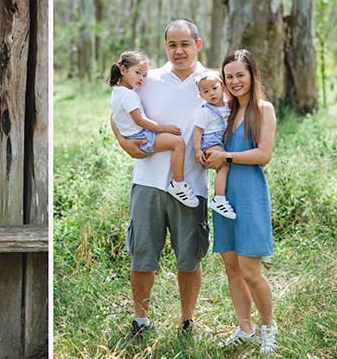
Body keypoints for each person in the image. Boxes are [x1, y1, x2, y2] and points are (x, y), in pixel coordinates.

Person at [110, 20, 214, 341]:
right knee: (143, 255)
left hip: (191, 186)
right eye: (172, 44)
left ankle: (187, 322)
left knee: (189, 257)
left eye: (185, 44)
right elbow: (117, 113)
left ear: (197, 45)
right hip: (148, 181)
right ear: (165, 46)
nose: (178, 50)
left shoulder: (211, 81)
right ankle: (141, 321)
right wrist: (123, 143)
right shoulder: (147, 79)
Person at [212, 49, 280, 353]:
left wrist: (225, 155)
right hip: (224, 198)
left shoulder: (264, 110)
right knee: (231, 268)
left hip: (249, 194)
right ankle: (244, 328)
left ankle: (269, 328)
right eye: (229, 76)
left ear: (252, 74)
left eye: (241, 74)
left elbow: (263, 155)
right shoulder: (224, 111)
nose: (235, 81)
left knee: (251, 271)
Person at [108, 51, 199, 207]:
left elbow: (116, 117)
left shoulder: (118, 92)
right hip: (141, 136)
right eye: (137, 73)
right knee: (178, 143)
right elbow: (140, 120)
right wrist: (165, 128)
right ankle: (178, 184)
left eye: (144, 75)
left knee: (177, 143)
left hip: (136, 134)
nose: (141, 79)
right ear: (123, 70)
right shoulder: (128, 95)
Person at [191, 73, 237, 219]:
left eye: (214, 88)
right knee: (224, 166)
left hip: (223, 141)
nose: (211, 93)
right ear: (201, 95)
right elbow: (198, 131)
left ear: (223, 88)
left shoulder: (229, 104)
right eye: (205, 91)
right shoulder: (206, 111)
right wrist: (198, 150)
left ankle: (221, 196)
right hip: (210, 143)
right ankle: (219, 199)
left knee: (224, 168)